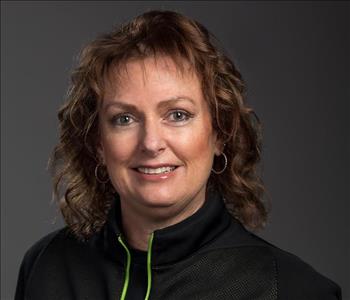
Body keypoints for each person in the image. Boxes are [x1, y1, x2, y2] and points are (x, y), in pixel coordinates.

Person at [15, 10, 341, 300]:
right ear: (99, 143)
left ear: (220, 134)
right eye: (124, 119)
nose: (151, 142)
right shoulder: (47, 266)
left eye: (178, 115)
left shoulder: (291, 290)